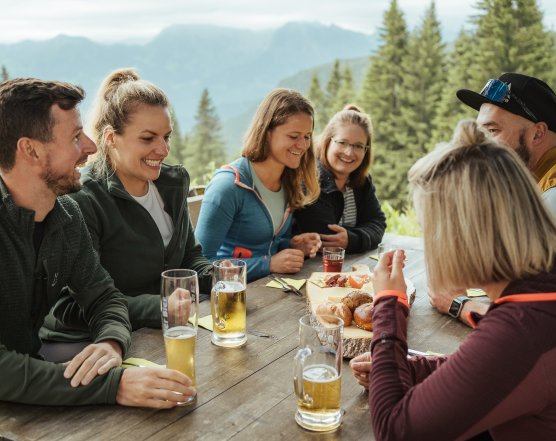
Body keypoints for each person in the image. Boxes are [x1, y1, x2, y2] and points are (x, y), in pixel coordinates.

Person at [353, 120, 556, 440]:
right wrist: (410, 370)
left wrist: (389, 303)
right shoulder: (544, 292)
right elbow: (500, 371)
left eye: (430, 228)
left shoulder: (524, 327)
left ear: (463, 235)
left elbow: (395, 431)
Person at [0, 78, 193, 407]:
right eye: (76, 137)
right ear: (29, 150)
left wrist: (111, 343)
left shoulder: (66, 215)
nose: (90, 146)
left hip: (30, 399)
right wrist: (112, 386)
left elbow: (105, 298)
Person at [39, 69, 212, 349]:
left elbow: (190, 256)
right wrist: (160, 306)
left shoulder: (173, 183)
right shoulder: (84, 199)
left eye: (166, 137)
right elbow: (70, 305)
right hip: (88, 343)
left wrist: (217, 277)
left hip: (165, 328)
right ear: (110, 138)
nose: (163, 149)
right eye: (148, 139)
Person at [430, 72, 556, 324]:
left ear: (537, 134)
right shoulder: (528, 179)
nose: (480, 143)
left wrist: (459, 305)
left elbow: (537, 321)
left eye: (492, 130)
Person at [195, 88, 321, 281]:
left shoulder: (289, 181)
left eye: (307, 136)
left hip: (268, 294)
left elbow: (267, 246)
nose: (303, 145)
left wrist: (293, 246)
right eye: (294, 136)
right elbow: (200, 265)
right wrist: (268, 264)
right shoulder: (228, 186)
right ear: (267, 132)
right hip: (228, 299)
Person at [294, 105, 386, 252]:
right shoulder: (311, 178)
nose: (349, 152)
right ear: (328, 141)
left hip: (351, 267)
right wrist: (360, 236)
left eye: (358, 146)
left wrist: (352, 239)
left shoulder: (362, 181)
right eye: (342, 142)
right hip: (310, 270)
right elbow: (326, 238)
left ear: (366, 150)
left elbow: (378, 223)